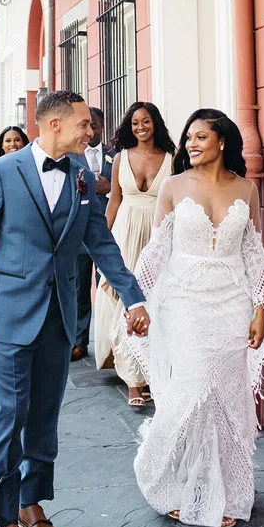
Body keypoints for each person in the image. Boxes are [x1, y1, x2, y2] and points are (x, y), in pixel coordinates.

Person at [0, 91, 150, 527]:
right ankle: (5, 518)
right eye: (84, 123)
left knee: (44, 417)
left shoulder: (84, 174)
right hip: (8, 313)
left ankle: (32, 503)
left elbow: (101, 243)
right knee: (10, 415)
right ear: (54, 125)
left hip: (59, 317)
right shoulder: (2, 172)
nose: (92, 131)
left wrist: (133, 297)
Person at [120, 109, 264, 527]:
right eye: (189, 137)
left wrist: (261, 308)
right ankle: (159, 476)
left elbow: (254, 255)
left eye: (201, 137)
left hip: (233, 304)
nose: (191, 144)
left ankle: (220, 492)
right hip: (184, 302)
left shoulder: (246, 189)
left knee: (224, 400)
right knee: (190, 392)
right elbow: (157, 250)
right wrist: (136, 300)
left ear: (222, 142)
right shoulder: (172, 186)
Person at [92, 102, 173, 405]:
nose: (141, 127)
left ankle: (149, 370)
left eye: (147, 121)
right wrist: (103, 240)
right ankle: (132, 381)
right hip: (124, 231)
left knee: (153, 301)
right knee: (122, 301)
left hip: (157, 234)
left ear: (156, 124)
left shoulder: (171, 159)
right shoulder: (121, 158)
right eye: (136, 122)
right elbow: (114, 200)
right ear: (130, 126)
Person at [72, 107, 114, 361]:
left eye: (96, 125)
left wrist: (108, 187)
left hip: (108, 226)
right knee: (78, 286)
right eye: (88, 125)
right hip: (79, 228)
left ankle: (107, 340)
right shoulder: (72, 155)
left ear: (101, 126)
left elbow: (121, 188)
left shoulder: (115, 154)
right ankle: (79, 341)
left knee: (106, 285)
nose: (92, 130)